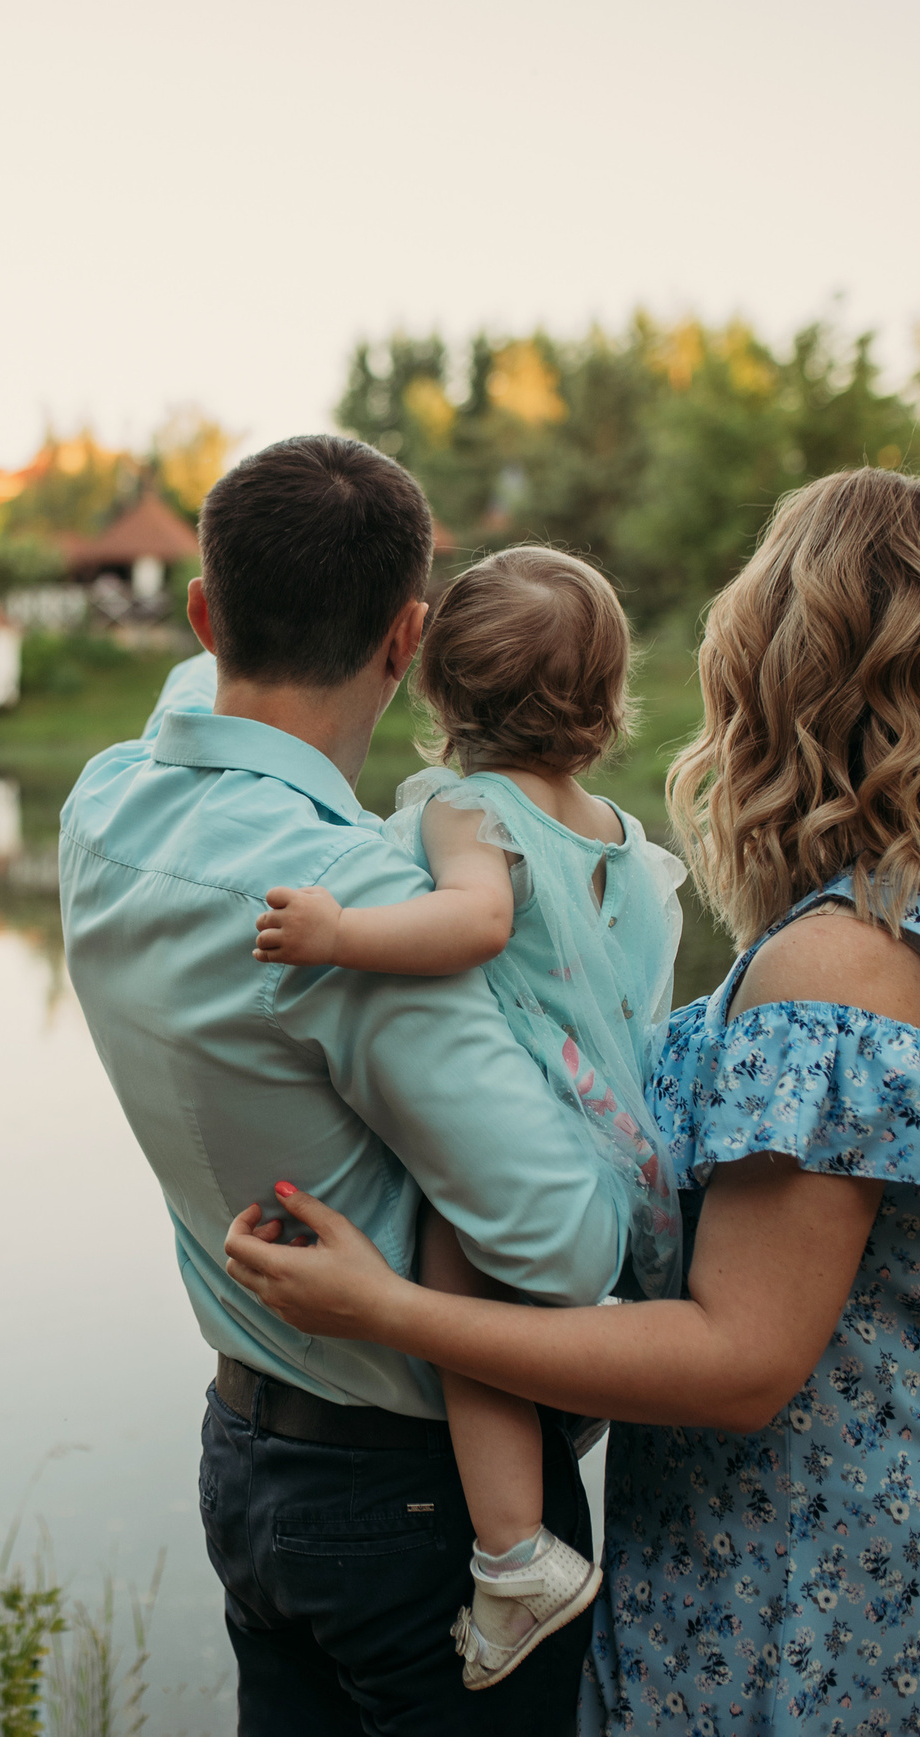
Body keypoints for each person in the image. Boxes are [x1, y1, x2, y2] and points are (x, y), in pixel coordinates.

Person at [222, 467, 920, 1734]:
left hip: (792, 1603)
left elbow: (736, 1362)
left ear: (787, 678)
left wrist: (391, 1309)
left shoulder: (842, 962)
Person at [59, 434, 633, 1734]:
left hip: (249, 1457)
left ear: (203, 610)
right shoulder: (360, 908)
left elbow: (188, 701)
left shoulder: (103, 809)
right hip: (425, 1510)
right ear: (406, 640)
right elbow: (565, 1244)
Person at [250, 546, 686, 1690]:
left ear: (439, 689)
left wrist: (340, 937)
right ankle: (544, 1478)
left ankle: (512, 1552)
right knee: (505, 1306)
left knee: (457, 1289)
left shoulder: (464, 808)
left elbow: (478, 923)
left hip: (526, 1134)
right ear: (605, 701)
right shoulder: (619, 840)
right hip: (619, 1152)